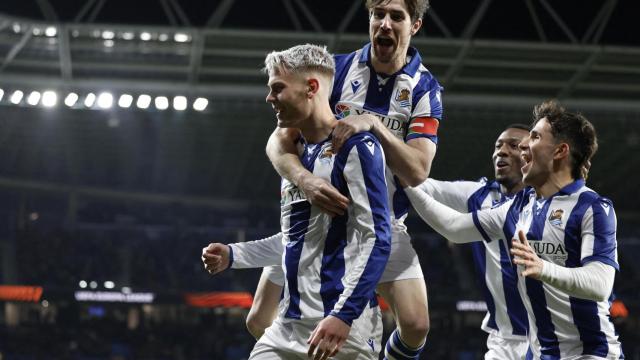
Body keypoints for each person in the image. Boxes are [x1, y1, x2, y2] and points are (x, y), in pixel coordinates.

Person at [251, 0, 443, 357]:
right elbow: (278, 141)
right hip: (319, 220)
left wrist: (374, 125)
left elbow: (417, 170)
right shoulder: (336, 70)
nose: (385, 24)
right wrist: (305, 180)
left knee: (416, 325)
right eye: (377, 15)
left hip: (380, 221)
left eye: (396, 16)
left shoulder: (424, 89)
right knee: (258, 318)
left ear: (414, 26)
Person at [203, 44, 392, 359]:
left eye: (277, 88)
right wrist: (233, 254)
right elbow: (296, 240)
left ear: (311, 88)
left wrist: (343, 315)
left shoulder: (358, 148)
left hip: (344, 328)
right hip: (287, 327)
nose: (269, 98)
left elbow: (377, 237)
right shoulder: (295, 158)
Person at [406, 100, 623, 359]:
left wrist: (544, 269)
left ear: (560, 151)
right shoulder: (518, 207)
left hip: (591, 354)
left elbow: (599, 284)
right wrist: (406, 182)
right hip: (542, 353)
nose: (522, 146)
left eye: (534, 137)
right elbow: (454, 227)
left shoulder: (593, 208)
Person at [415, 123, 530, 359]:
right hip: (504, 341)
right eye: (498, 146)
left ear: (532, 156)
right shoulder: (479, 195)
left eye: (513, 145)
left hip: (553, 337)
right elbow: (424, 187)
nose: (502, 151)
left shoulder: (552, 203)